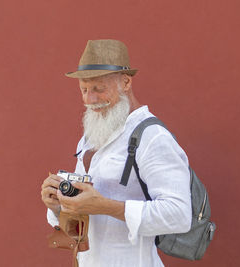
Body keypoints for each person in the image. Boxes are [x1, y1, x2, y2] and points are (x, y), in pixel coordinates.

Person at [41, 39, 192, 267]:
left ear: (126, 82)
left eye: (99, 89)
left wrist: (106, 206)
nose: (90, 99)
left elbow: (179, 215)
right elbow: (83, 213)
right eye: (84, 89)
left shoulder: (153, 137)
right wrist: (58, 205)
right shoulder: (93, 135)